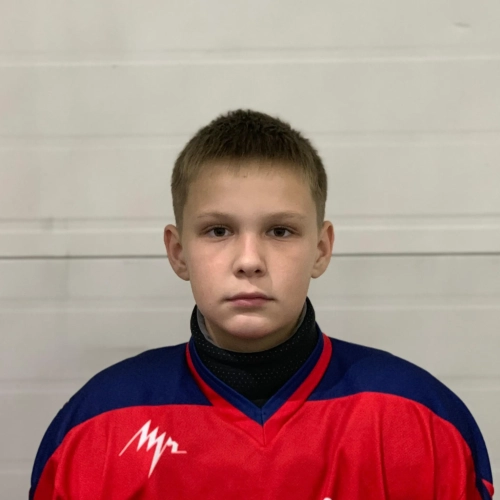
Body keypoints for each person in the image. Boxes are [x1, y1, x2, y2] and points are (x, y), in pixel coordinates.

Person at [30, 109, 494, 500]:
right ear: (178, 252)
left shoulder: (421, 420)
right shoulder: (96, 427)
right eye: (218, 230)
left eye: (280, 231)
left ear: (321, 249)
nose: (249, 260)